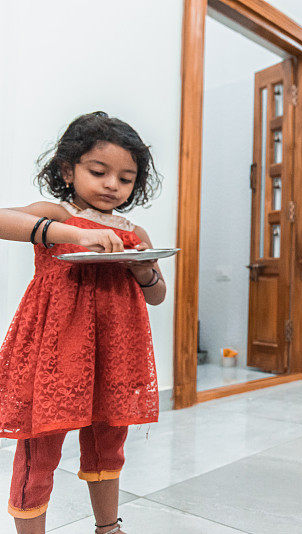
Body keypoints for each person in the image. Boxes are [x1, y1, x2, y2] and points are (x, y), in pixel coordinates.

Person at [0, 111, 165, 534]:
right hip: (58, 347)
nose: (112, 185)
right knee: (42, 443)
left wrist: (145, 270)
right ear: (67, 169)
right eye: (99, 171)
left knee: (109, 442)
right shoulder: (56, 213)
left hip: (115, 348)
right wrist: (73, 233)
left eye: (126, 178)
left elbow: (157, 294)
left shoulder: (133, 230)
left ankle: (108, 526)